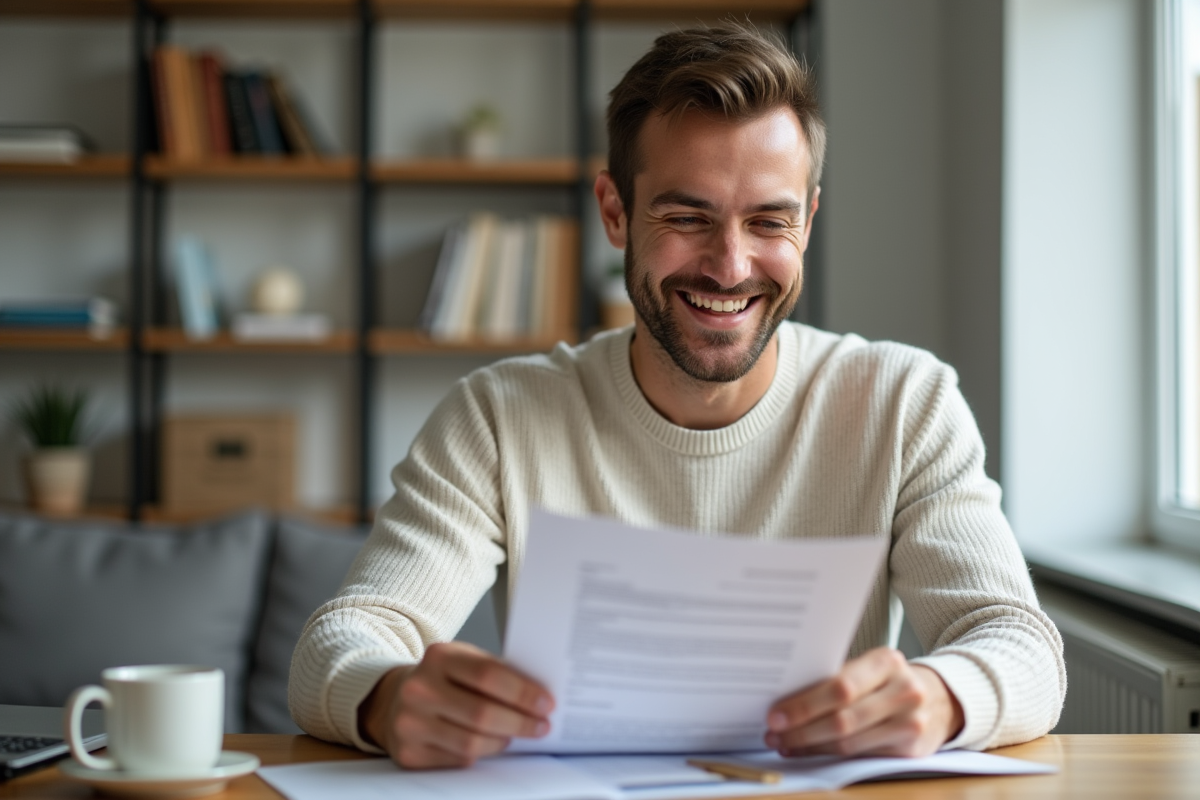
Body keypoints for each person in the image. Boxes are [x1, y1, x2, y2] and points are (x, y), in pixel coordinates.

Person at [289, 23, 1065, 769]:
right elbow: (345, 638)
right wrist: (388, 699)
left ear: (810, 219)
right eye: (687, 217)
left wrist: (940, 696)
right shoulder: (499, 417)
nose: (730, 267)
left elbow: (1018, 643)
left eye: (769, 221)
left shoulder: (904, 402)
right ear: (615, 212)